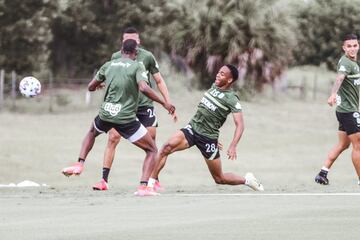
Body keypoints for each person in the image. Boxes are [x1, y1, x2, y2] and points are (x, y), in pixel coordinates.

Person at [62, 27, 176, 191]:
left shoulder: (109, 64)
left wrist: (99, 84)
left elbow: (91, 87)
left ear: (123, 49)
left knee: (92, 132)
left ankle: (80, 163)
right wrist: (164, 103)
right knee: (151, 149)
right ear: (134, 51)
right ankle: (143, 187)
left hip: (108, 112)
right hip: (126, 116)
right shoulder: (136, 65)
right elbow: (144, 87)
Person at [148, 64, 264, 192]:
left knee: (219, 178)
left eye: (222, 74)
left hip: (208, 139)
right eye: (219, 72)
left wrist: (233, 145)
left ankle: (247, 180)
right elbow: (208, 112)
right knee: (166, 147)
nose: (218, 75)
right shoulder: (214, 86)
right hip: (192, 128)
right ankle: (150, 185)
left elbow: (240, 125)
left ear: (230, 80)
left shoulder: (231, 99)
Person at [315, 33, 360, 185]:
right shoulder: (346, 63)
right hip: (348, 111)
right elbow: (340, 78)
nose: (352, 49)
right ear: (344, 48)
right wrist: (333, 94)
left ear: (358, 46)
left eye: (355, 45)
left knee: (343, 145)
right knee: (358, 145)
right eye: (349, 46)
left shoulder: (353, 64)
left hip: (344, 111)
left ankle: (322, 173)